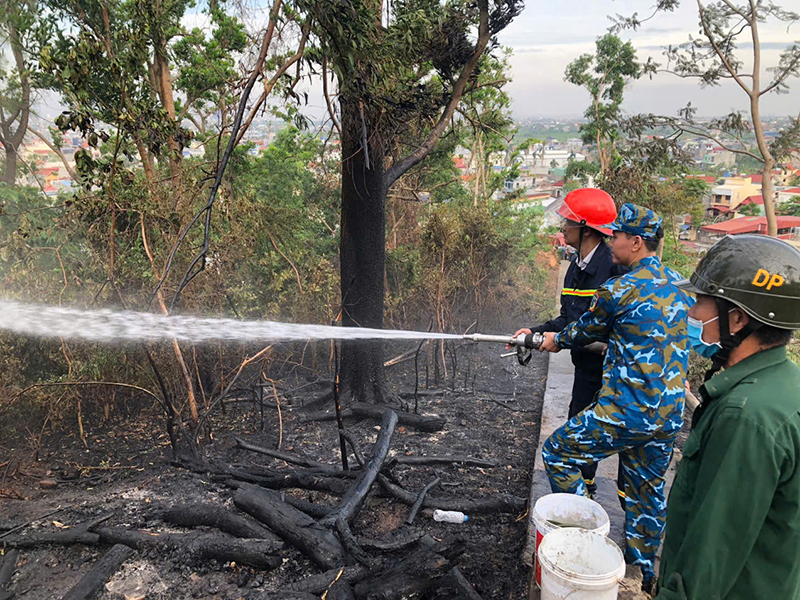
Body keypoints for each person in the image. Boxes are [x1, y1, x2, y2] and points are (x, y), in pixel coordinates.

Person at [538, 203, 691, 592]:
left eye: (617, 236)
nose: (612, 241)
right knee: (647, 493)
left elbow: (580, 330)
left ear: (636, 242)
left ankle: (583, 538)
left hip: (625, 411)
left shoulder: (619, 288)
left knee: (558, 451)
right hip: (667, 416)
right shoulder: (680, 284)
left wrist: (550, 339)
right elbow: (692, 341)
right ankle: (645, 578)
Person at [655, 234, 800, 600]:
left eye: (701, 302)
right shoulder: (784, 385)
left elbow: (710, 556)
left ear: (735, 318)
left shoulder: (746, 417)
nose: (691, 313)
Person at [515, 188, 625, 497]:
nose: (562, 227)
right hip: (586, 368)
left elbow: (608, 325)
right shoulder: (576, 267)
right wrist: (531, 334)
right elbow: (569, 319)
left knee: (598, 436)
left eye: (568, 222)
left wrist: (562, 340)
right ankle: (584, 492)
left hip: (612, 373)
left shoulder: (613, 269)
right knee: (579, 426)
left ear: (587, 229)